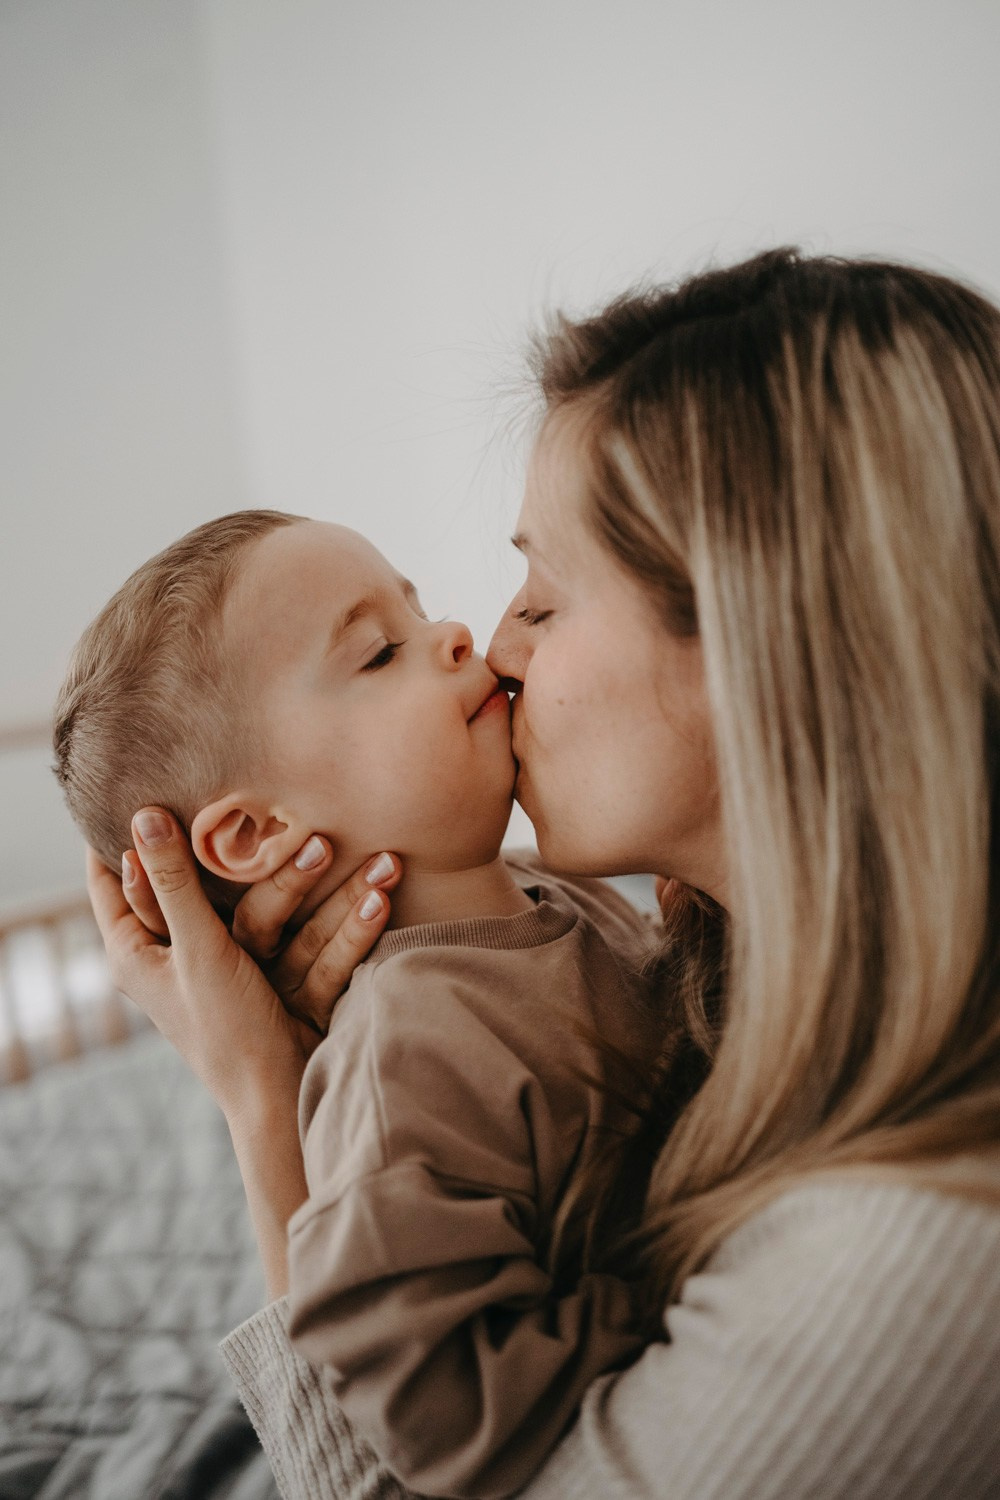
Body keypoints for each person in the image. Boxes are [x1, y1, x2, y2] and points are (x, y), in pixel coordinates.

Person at [87, 246, 1000, 1499]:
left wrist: (259, 1104)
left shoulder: (899, 1260)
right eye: (382, 650)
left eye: (549, 599)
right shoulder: (744, 973)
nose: (492, 639)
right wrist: (285, 1084)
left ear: (763, 646)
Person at [54, 512, 668, 1497]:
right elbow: (437, 1404)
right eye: (381, 653)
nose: (458, 636)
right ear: (255, 832)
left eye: (416, 610)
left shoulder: (569, 896)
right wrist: (663, 1287)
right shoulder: (404, 1052)